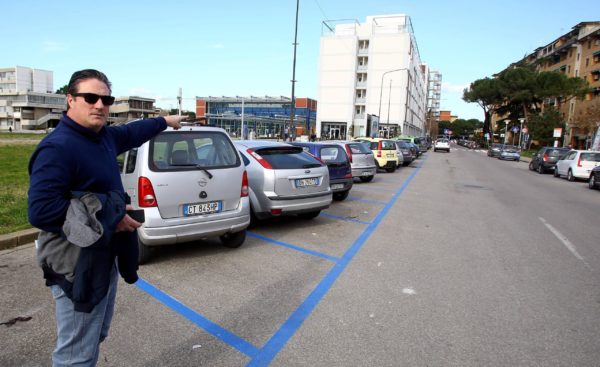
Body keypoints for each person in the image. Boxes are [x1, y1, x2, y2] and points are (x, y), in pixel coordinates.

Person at [28, 69, 187, 366]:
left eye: (106, 99)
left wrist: (165, 121)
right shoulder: (58, 148)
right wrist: (111, 216)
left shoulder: (102, 137)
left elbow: (132, 132)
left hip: (103, 254)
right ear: (70, 100)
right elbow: (42, 210)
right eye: (90, 98)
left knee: (94, 335)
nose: (99, 105)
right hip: (75, 262)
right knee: (76, 354)